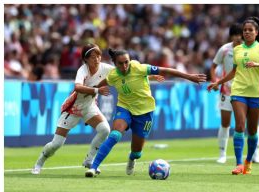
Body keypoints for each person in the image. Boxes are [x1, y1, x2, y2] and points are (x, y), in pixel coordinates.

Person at [85, 48, 207, 177]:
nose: (124, 66)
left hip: (145, 111)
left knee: (137, 151)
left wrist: (189, 76)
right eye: (120, 63)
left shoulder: (138, 68)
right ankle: (93, 167)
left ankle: (132, 159)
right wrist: (89, 97)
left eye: (126, 62)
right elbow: (99, 86)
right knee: (115, 135)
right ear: (115, 64)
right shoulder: (113, 76)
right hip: (125, 107)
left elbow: (165, 70)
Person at [208, 17, 259, 175]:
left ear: (256, 32)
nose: (246, 32)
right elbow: (234, 71)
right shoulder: (237, 50)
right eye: (245, 30)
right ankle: (239, 163)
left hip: (256, 93)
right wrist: (218, 82)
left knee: (252, 130)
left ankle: (249, 160)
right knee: (239, 126)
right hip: (238, 91)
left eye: (250, 30)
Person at [31, 44, 114, 174]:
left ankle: (89, 160)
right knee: (56, 144)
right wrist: (97, 90)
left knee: (105, 129)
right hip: (73, 108)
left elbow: (124, 72)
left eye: (98, 56)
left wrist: (149, 76)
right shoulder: (83, 70)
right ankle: (39, 162)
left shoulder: (106, 68)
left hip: (90, 106)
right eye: (92, 57)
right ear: (85, 59)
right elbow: (78, 87)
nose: (96, 59)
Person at [210, 23, 259, 164]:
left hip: (246, 91)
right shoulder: (225, 49)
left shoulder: (249, 50)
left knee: (251, 123)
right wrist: (215, 80)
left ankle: (256, 154)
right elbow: (214, 66)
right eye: (235, 35)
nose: (237, 38)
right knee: (225, 123)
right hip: (227, 91)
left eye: (240, 35)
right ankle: (222, 155)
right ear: (231, 36)